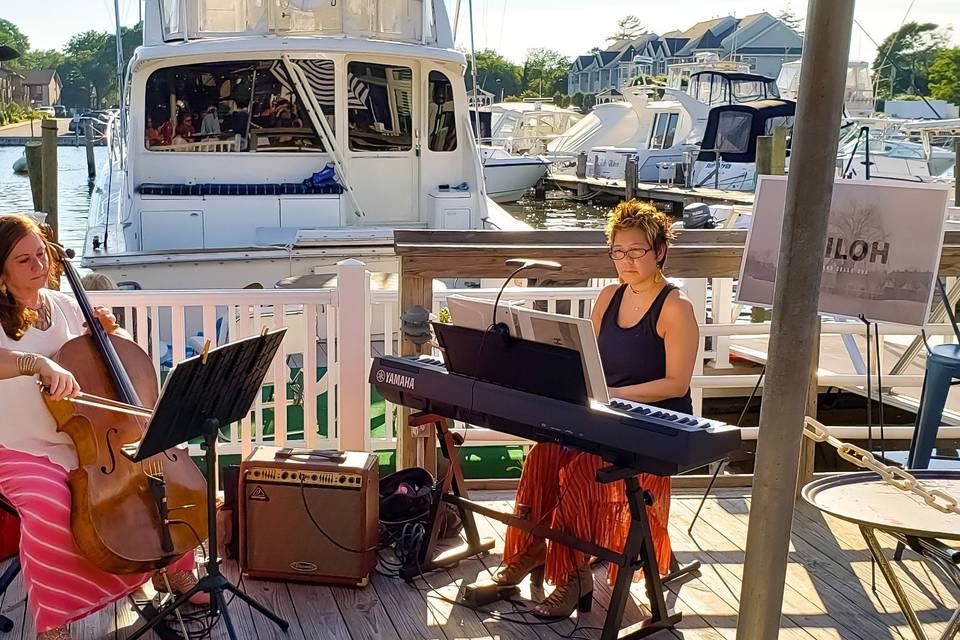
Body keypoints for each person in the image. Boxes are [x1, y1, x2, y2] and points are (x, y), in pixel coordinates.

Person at [0, 215, 208, 640]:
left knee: (154, 480)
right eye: (24, 260)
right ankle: (54, 621)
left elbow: (117, 360)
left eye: (41, 253)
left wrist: (108, 333)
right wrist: (34, 362)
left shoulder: (62, 303)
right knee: (49, 505)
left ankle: (172, 569)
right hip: (16, 445)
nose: (39, 264)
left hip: (84, 442)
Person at [493, 200, 699, 619]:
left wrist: (614, 395)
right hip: (605, 415)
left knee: (583, 471)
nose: (627, 261)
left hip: (651, 428)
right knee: (543, 455)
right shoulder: (608, 296)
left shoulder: (676, 308)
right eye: (619, 252)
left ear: (659, 251)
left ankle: (572, 575)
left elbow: (676, 384)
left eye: (637, 250)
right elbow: (589, 360)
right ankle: (532, 549)